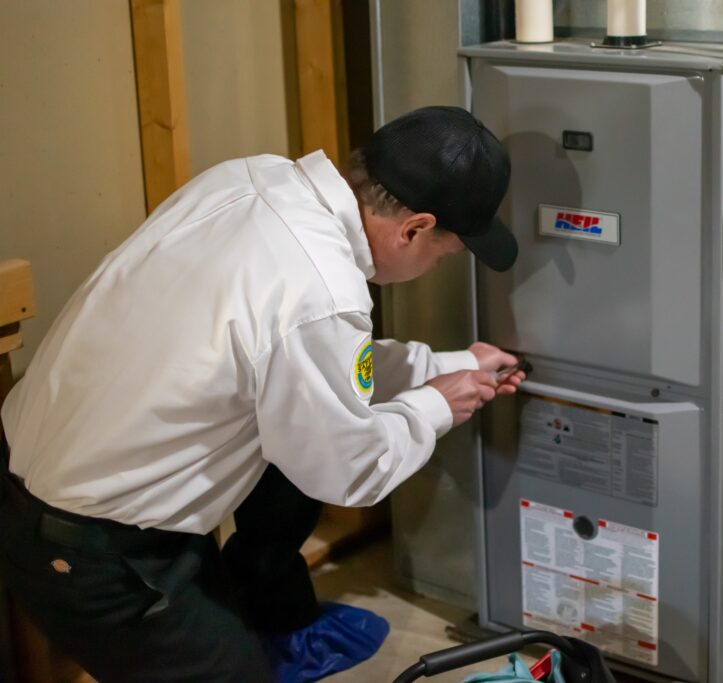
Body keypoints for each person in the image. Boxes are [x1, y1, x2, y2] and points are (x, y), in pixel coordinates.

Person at [0, 106, 524, 682]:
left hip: (43, 482)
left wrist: (451, 365)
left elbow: (305, 361)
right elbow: (348, 469)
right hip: (92, 550)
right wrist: (437, 404)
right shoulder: (320, 288)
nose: (434, 266)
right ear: (414, 228)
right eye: (444, 254)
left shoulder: (251, 180)